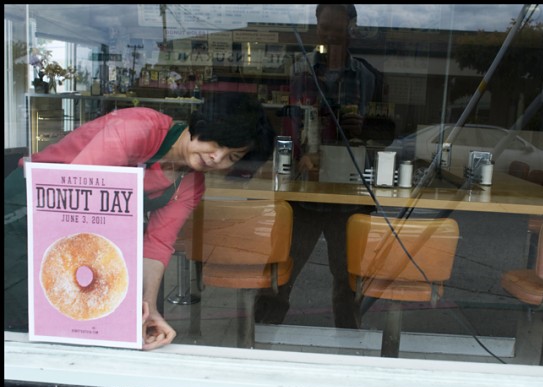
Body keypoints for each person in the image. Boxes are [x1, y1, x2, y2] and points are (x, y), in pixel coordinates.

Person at [4, 91, 274, 350]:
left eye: (232, 157)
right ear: (204, 124)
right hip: (25, 210)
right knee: (23, 319)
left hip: (80, 237)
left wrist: (148, 307)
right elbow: (80, 197)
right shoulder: (139, 129)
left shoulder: (191, 183)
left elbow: (157, 244)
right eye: (219, 143)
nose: (217, 158)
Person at [255, 4, 376, 328]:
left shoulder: (367, 77)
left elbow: (385, 134)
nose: (330, 37)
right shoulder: (301, 72)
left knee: (349, 279)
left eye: (337, 31)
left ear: (351, 28)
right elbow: (288, 126)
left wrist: (363, 129)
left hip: (348, 196)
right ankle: (260, 338)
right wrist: (297, 155)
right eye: (324, 30)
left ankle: (348, 340)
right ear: (316, 28)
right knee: (280, 270)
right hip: (304, 194)